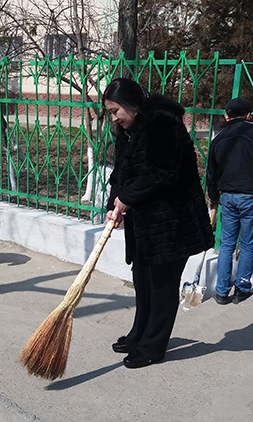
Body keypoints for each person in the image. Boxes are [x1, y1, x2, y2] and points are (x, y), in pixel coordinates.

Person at [104, 78, 214, 369]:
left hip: (172, 222)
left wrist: (125, 199)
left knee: (162, 286)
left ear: (133, 105)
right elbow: (121, 172)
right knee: (143, 282)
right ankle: (139, 334)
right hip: (145, 224)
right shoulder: (127, 130)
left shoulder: (165, 125)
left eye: (116, 111)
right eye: (110, 113)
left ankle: (153, 346)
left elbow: (162, 172)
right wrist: (113, 203)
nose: (114, 118)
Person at [206, 98, 253, 305]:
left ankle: (221, 292)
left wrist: (213, 197)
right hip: (252, 196)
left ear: (226, 116)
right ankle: (241, 290)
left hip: (228, 197)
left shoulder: (218, 138)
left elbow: (211, 173)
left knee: (227, 245)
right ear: (249, 114)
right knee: (248, 244)